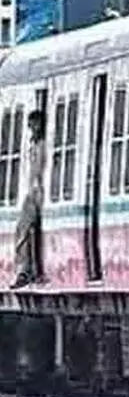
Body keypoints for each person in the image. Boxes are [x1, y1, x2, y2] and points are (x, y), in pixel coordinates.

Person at [12, 109, 45, 288]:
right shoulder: (35, 144)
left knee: (23, 229)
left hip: (37, 192)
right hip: (35, 190)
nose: (32, 128)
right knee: (24, 230)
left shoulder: (41, 144)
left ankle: (24, 271)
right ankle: (26, 269)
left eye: (34, 124)